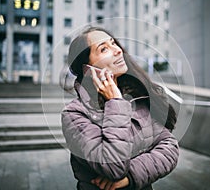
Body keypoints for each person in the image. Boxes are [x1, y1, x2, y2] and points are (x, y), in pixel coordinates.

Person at [61, 26, 179, 190]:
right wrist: (115, 101)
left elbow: (169, 147)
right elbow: (113, 167)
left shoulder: (138, 97)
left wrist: (132, 175)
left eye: (114, 43)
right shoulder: (75, 114)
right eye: (104, 49)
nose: (117, 50)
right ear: (88, 69)